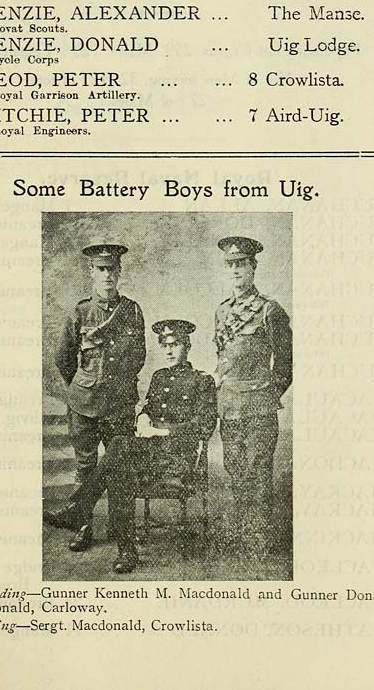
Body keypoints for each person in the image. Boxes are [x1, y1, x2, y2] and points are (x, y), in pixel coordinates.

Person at [45, 318, 217, 573]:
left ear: (187, 346)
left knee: (118, 447)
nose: (169, 350)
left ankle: (79, 509)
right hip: (152, 453)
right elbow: (147, 408)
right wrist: (143, 418)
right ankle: (127, 552)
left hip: (179, 458)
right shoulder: (159, 377)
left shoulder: (202, 381)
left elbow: (204, 426)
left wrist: (163, 431)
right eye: (164, 345)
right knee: (119, 466)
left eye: (175, 344)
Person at [43, 241, 146, 548]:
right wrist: (83, 384)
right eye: (101, 269)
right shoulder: (81, 311)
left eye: (112, 269)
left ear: (120, 271)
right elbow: (64, 357)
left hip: (119, 405)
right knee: (86, 467)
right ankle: (83, 527)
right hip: (84, 405)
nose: (107, 275)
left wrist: (117, 386)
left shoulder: (132, 310)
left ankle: (119, 529)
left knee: (119, 469)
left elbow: (139, 355)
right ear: (91, 272)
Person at [214, 236, 292, 557]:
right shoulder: (221, 312)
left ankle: (261, 538)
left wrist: (268, 394)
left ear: (253, 267)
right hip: (229, 407)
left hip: (259, 407)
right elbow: (222, 359)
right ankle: (243, 532)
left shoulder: (269, 311)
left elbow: (285, 364)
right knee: (235, 470)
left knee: (260, 471)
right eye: (230, 264)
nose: (235, 269)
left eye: (241, 264)